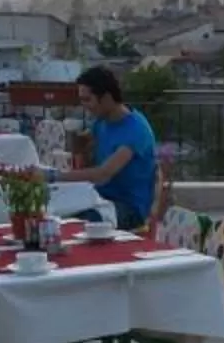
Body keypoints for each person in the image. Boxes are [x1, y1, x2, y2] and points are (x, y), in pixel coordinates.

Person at [47, 64, 159, 229]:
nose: (84, 105)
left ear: (106, 98)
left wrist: (51, 176)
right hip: (100, 197)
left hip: (128, 207)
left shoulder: (136, 130)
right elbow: (87, 160)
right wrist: (78, 145)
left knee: (80, 222)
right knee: (51, 207)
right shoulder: (101, 123)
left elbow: (103, 174)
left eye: (87, 100)